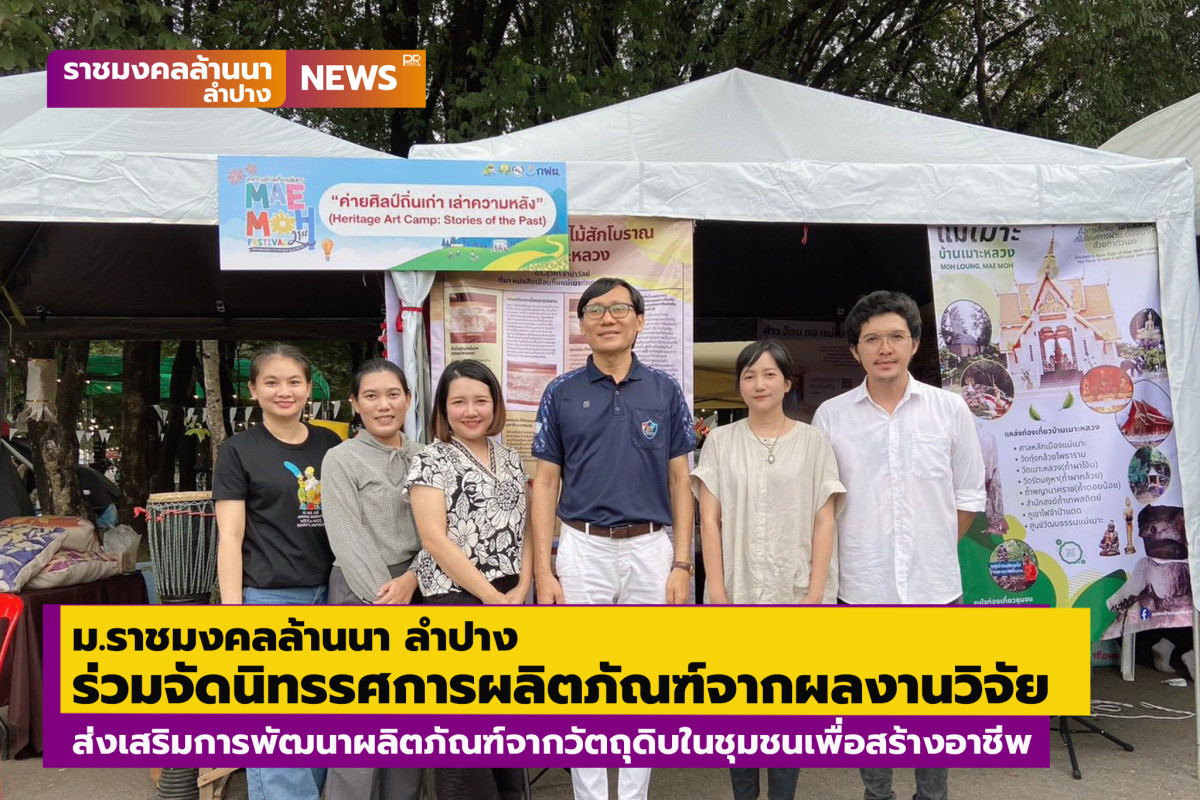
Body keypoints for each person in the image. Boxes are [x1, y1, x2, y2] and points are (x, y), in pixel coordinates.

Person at [812, 291, 984, 800]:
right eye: (871, 339)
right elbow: (822, 503)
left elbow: (969, 495)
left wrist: (932, 545)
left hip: (935, 589)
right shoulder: (831, 416)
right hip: (862, 589)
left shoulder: (950, 409)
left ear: (915, 343)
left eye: (895, 337)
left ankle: (932, 795)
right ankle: (877, 794)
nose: (884, 348)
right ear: (855, 350)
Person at [530, 277, 695, 800]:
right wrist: (543, 570)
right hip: (583, 548)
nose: (608, 318)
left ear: (639, 321)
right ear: (581, 325)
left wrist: (682, 563)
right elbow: (546, 484)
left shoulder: (665, 390)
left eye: (620, 308)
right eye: (595, 310)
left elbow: (680, 481)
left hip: (651, 548)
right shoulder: (561, 391)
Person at [692, 338, 844, 800]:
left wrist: (815, 593)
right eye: (749, 376)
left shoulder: (813, 442)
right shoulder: (720, 441)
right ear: (740, 385)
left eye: (769, 374)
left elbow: (824, 518)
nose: (759, 384)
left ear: (787, 383)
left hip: (794, 592)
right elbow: (709, 520)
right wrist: (718, 593)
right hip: (736, 592)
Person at [213, 344, 342, 800]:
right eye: (271, 382)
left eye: (293, 382)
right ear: (253, 390)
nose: (283, 391)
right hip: (269, 597)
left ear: (309, 389)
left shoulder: (331, 444)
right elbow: (230, 537)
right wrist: (232, 611)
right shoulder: (239, 450)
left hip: (332, 594)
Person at [406, 359, 530, 800]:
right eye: (459, 402)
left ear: (495, 404)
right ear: (444, 408)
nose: (471, 411)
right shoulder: (431, 458)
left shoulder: (511, 458)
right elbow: (434, 539)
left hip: (511, 596)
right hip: (455, 598)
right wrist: (489, 596)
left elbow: (527, 530)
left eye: (481, 400)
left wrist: (522, 587)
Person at [321, 358, 424, 800]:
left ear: (408, 399)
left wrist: (413, 580)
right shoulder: (341, 459)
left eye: (393, 394)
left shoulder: (425, 456)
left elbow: (442, 533)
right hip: (360, 591)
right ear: (355, 404)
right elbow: (347, 535)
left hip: (418, 589)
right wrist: (387, 597)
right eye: (371, 396)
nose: (384, 405)